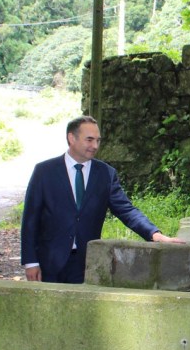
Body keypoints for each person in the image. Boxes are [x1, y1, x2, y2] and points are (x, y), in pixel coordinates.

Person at [21, 115, 181, 284]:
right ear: (71, 138)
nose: (95, 146)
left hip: (86, 263)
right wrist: (31, 262)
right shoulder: (44, 171)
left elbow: (126, 210)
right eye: (89, 140)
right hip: (48, 262)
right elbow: (30, 219)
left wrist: (154, 234)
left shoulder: (106, 174)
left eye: (98, 140)